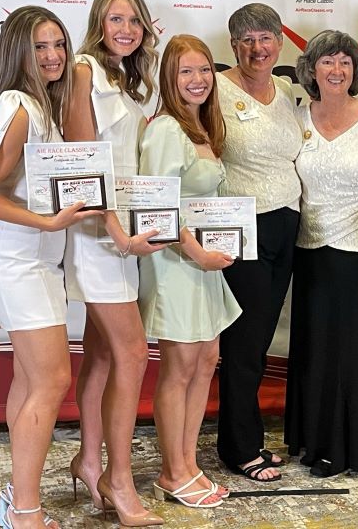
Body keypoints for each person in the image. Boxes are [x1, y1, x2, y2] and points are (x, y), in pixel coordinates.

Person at [0, 5, 102, 529]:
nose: (52, 56)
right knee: (51, 381)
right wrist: (44, 224)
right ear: (18, 52)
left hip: (41, 263)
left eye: (59, 45)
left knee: (29, 384)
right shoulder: (17, 106)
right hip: (18, 261)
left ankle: (16, 499)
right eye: (40, 47)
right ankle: (25, 511)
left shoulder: (44, 105)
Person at [62, 0, 164, 526]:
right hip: (101, 235)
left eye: (134, 21)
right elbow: (84, 163)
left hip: (124, 233)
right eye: (115, 18)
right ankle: (118, 480)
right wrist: (117, 234)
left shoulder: (125, 77)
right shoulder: (83, 71)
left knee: (103, 354)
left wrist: (132, 232)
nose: (125, 29)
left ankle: (87, 458)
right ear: (99, 22)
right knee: (130, 354)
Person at [139, 35, 240, 508]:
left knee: (204, 363)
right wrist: (196, 252)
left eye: (204, 71)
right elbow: (155, 210)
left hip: (204, 263)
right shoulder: (165, 130)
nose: (197, 80)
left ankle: (187, 462)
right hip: (176, 264)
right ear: (169, 79)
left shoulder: (204, 128)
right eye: (186, 72)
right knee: (179, 369)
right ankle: (171, 471)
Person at [284, 30, 358, 477]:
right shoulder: (296, 116)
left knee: (352, 354)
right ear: (311, 69)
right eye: (327, 61)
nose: (337, 70)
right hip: (308, 250)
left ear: (356, 71)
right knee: (313, 350)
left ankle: (351, 448)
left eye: (346, 62)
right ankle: (313, 440)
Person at [216, 3, 302, 481]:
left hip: (286, 224)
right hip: (239, 227)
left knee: (262, 339)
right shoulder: (216, 88)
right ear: (232, 45)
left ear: (279, 43)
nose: (256, 48)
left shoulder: (288, 90)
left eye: (265, 37)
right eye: (246, 39)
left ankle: (246, 438)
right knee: (244, 344)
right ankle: (239, 447)